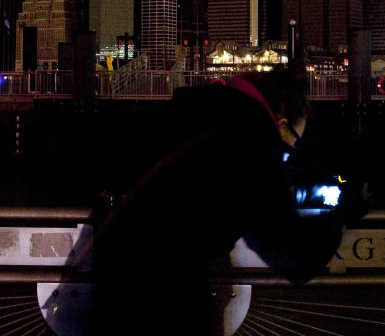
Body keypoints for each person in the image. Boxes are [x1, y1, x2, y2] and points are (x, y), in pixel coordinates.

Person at [83, 67, 365, 334]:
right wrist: (341, 213)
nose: (287, 153)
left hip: (113, 284)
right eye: (291, 141)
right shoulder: (251, 143)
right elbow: (296, 259)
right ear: (280, 123)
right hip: (167, 299)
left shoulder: (190, 110)